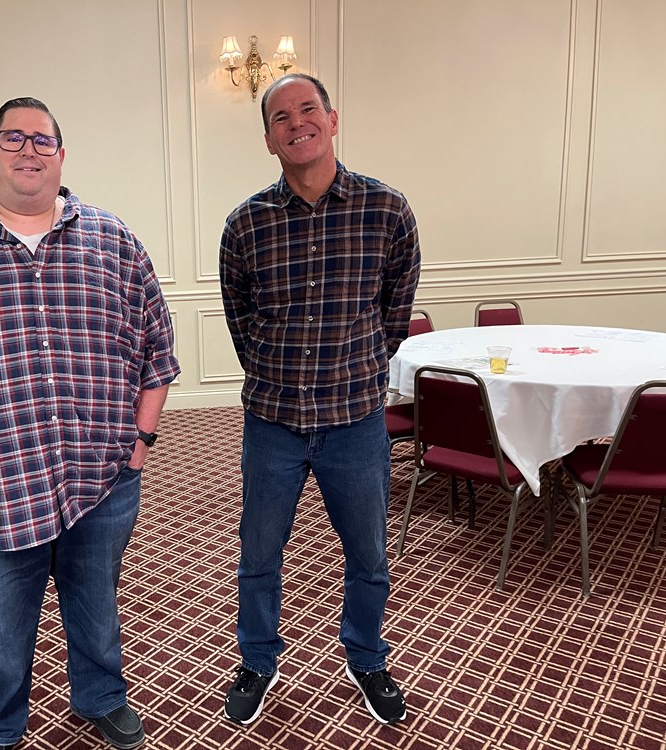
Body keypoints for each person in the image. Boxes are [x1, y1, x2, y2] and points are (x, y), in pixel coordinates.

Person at [0, 97, 180, 749]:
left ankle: (101, 695)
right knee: (1, 622)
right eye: (12, 138)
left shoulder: (114, 241)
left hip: (101, 476)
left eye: (42, 140)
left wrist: (140, 442)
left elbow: (159, 351)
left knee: (95, 603)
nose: (28, 150)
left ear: (61, 156)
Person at [218, 73, 420, 727]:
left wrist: (357, 368)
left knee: (368, 554)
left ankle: (367, 657)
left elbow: (394, 312)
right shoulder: (245, 224)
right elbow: (240, 318)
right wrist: (273, 372)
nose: (296, 123)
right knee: (259, 555)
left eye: (308, 109)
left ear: (332, 120)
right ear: (268, 139)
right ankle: (257, 661)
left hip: (354, 421)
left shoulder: (386, 210)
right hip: (272, 422)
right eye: (280, 117)